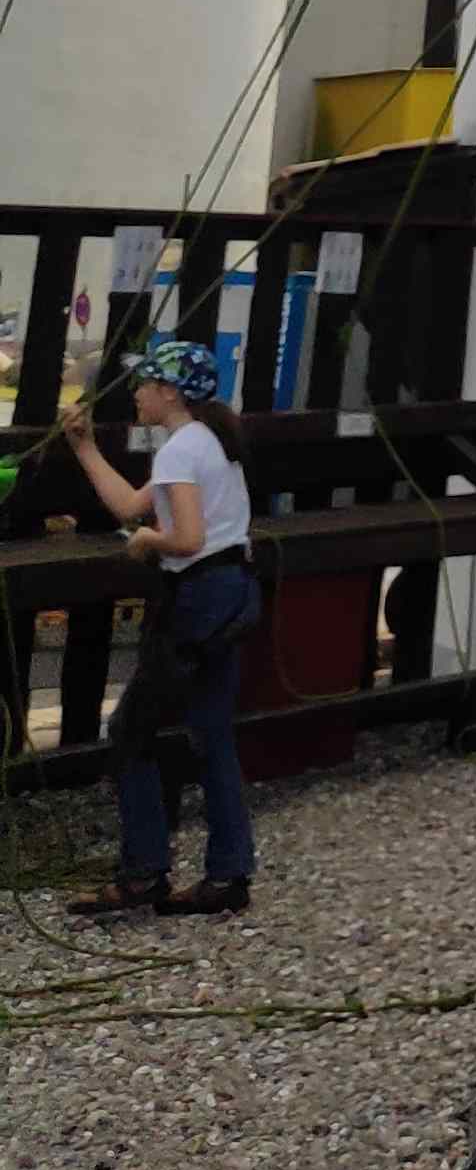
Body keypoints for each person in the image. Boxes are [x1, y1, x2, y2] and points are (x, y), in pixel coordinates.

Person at [60, 338, 262, 923]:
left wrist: (150, 541)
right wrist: (85, 447)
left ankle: (143, 871)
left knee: (130, 732)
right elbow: (130, 505)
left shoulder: (179, 450)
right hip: (234, 590)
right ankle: (228, 875)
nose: (137, 394)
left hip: (197, 597)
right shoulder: (209, 440)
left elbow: (186, 538)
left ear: (169, 393)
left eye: (145, 384)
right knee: (212, 734)